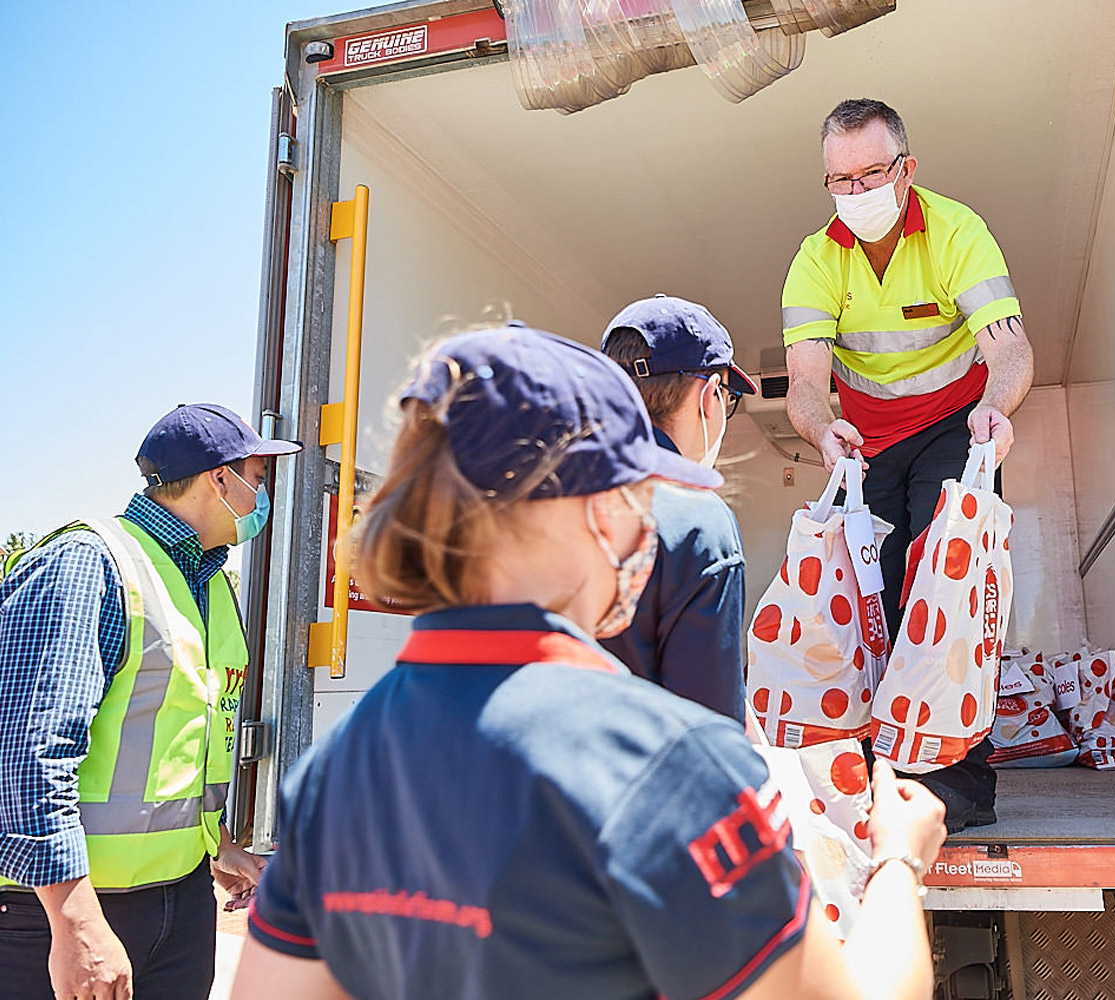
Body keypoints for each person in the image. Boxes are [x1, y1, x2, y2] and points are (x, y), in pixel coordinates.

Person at [230, 323, 947, 1000]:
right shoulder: (668, 762)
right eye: (639, 494)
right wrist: (897, 859)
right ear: (601, 511)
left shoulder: (334, 771)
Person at [781, 98, 1035, 831]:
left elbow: (1009, 348)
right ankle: (878, 769)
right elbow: (805, 381)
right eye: (840, 180)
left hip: (959, 425)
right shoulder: (815, 259)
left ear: (906, 168)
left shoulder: (958, 231)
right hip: (868, 442)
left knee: (947, 584)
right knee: (873, 598)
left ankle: (957, 785)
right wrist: (822, 430)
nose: (856, 193)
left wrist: (997, 410)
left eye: (870, 173)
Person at [0, 403, 302, 1000]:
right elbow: (25, 756)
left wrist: (215, 848)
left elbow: (180, 742)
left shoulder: (209, 582)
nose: (262, 502)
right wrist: (75, 922)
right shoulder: (90, 564)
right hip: (66, 910)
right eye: (259, 481)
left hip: (179, 900)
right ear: (221, 478)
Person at [598, 294, 754, 721]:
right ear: (710, 395)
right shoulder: (698, 518)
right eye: (728, 396)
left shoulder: (545, 492)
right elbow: (708, 728)